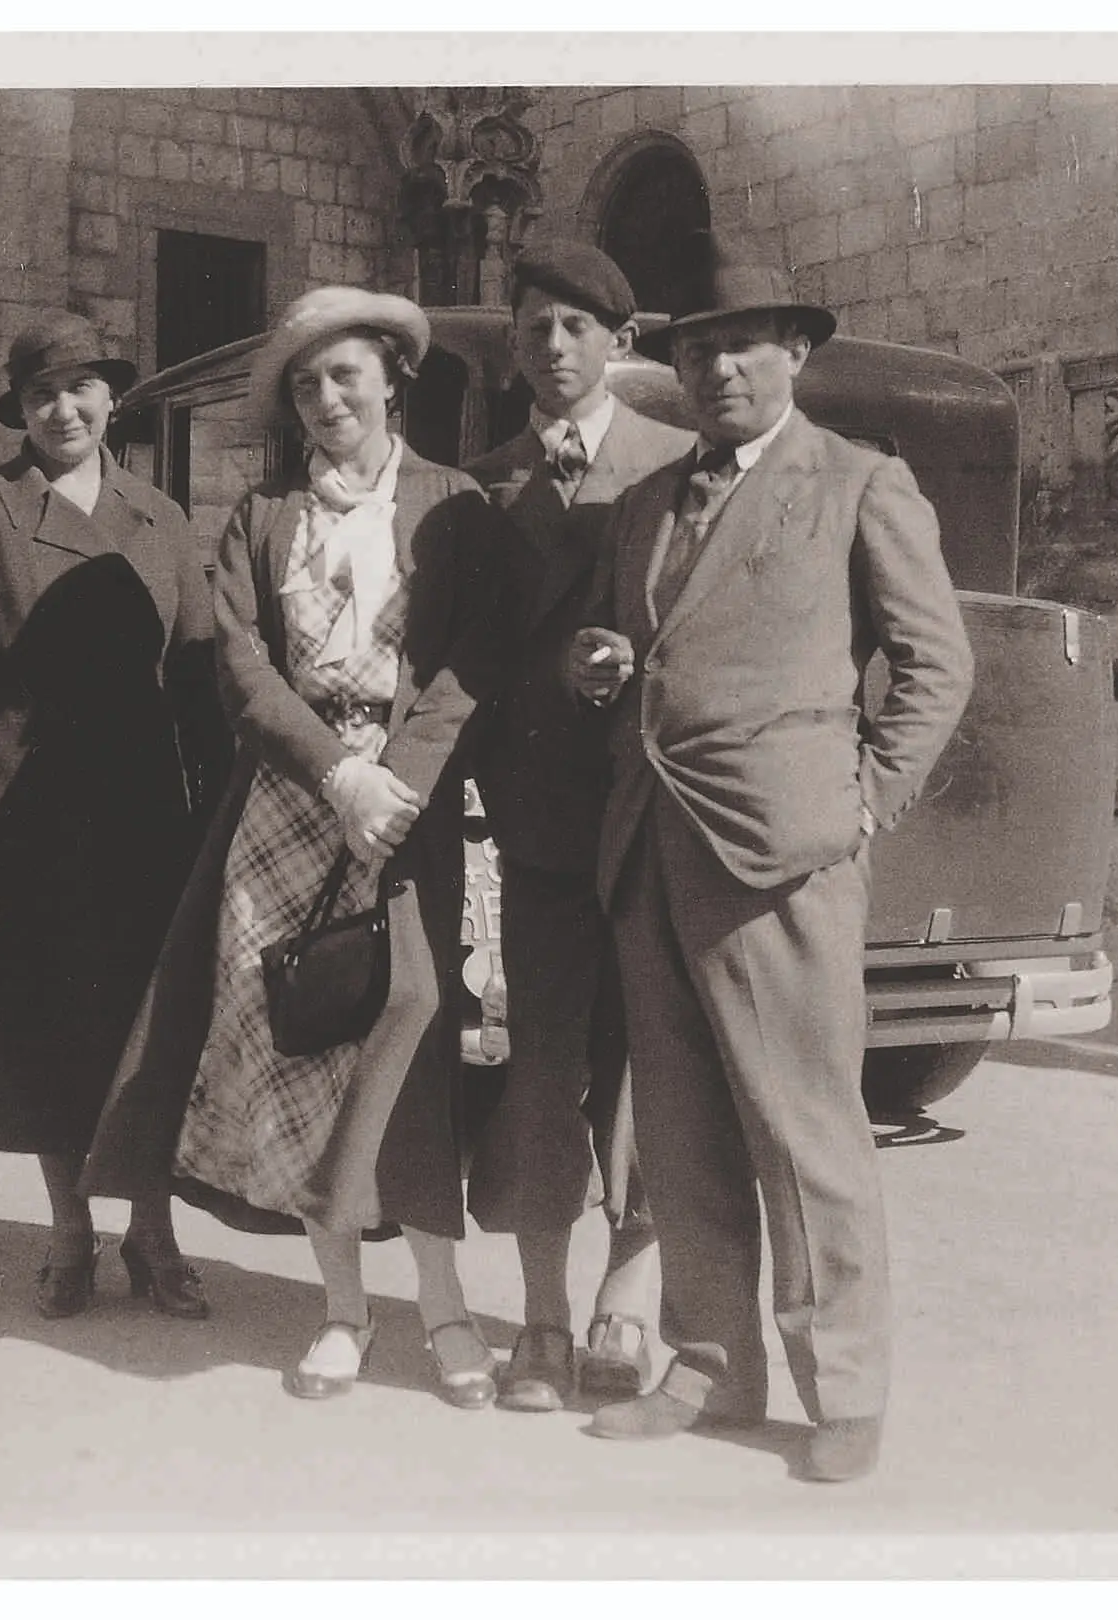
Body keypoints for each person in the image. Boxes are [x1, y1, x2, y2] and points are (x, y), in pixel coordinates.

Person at [564, 250, 974, 1483]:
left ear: (796, 353)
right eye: (696, 350)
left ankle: (842, 1386)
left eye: (745, 346)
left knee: (804, 1134)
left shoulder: (858, 481)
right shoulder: (642, 503)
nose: (719, 367)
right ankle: (712, 1366)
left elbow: (935, 665)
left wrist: (861, 804)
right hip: (649, 846)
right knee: (680, 1135)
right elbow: (636, 652)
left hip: (780, 854)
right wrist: (595, 665)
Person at [81, 286, 502, 1408]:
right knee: (304, 1040)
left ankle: (447, 1311)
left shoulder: (452, 504)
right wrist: (337, 773)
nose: (326, 399)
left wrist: (393, 786)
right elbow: (243, 667)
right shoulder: (262, 515)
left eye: (345, 375)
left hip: (404, 817)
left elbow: (466, 666)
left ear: (391, 379)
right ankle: (343, 1313)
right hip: (289, 803)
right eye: (306, 384)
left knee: (405, 1029)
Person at [0, 309, 229, 1324]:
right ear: (21, 409)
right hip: (21, 816)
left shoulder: (161, 517)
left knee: (149, 1032)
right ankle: (71, 1231)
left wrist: (222, 818)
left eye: (81, 387)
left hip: (142, 821)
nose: (63, 407)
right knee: (45, 1032)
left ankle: (155, 1232)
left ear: (111, 397)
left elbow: (204, 673)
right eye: (42, 393)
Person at [461, 242, 694, 1415]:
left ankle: (628, 1299)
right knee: (542, 1070)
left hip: (653, 817)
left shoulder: (679, 466)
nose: (552, 349)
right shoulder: (486, 479)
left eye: (575, 329)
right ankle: (541, 1318)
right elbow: (467, 659)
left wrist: (631, 661)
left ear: (621, 344)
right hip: (540, 825)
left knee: (654, 1062)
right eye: (534, 329)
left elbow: (712, 633)